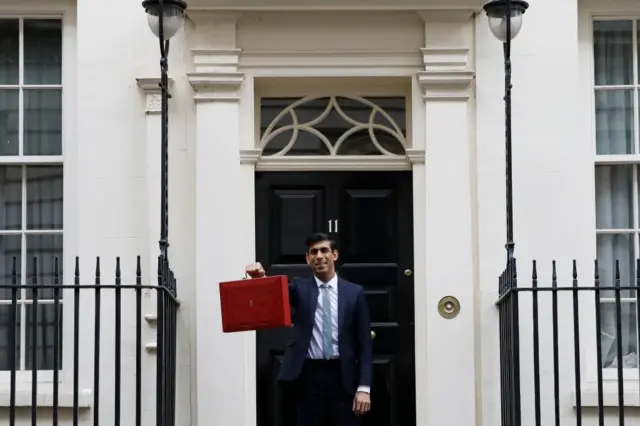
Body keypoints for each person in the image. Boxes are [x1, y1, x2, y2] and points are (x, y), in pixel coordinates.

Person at [245, 232, 373, 426]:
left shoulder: (354, 293)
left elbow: (364, 344)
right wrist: (261, 277)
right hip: (309, 376)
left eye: (324, 250)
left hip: (343, 376)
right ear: (308, 258)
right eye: (314, 252)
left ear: (335, 255)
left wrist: (364, 388)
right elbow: (274, 295)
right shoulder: (299, 288)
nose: (319, 256)